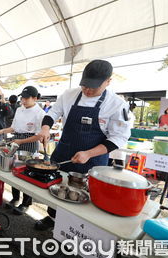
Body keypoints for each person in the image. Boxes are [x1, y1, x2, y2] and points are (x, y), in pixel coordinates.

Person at [35, 59, 131, 230]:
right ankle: (52, 218)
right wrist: (45, 128)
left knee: (82, 198)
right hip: (64, 152)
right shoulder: (69, 94)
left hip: (92, 160)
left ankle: (74, 231)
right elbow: (54, 112)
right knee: (57, 189)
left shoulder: (116, 104)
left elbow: (119, 137)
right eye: (84, 85)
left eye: (93, 87)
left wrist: (89, 154)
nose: (87, 90)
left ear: (108, 82)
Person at [0, 86, 45, 215]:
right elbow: (13, 128)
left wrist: (21, 141)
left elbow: (39, 136)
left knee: (28, 173)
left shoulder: (40, 113)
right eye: (22, 97)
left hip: (30, 143)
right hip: (17, 141)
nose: (23, 100)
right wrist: (3, 130)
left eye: (26, 98)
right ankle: (15, 198)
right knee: (15, 170)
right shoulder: (19, 109)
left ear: (35, 98)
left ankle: (26, 203)